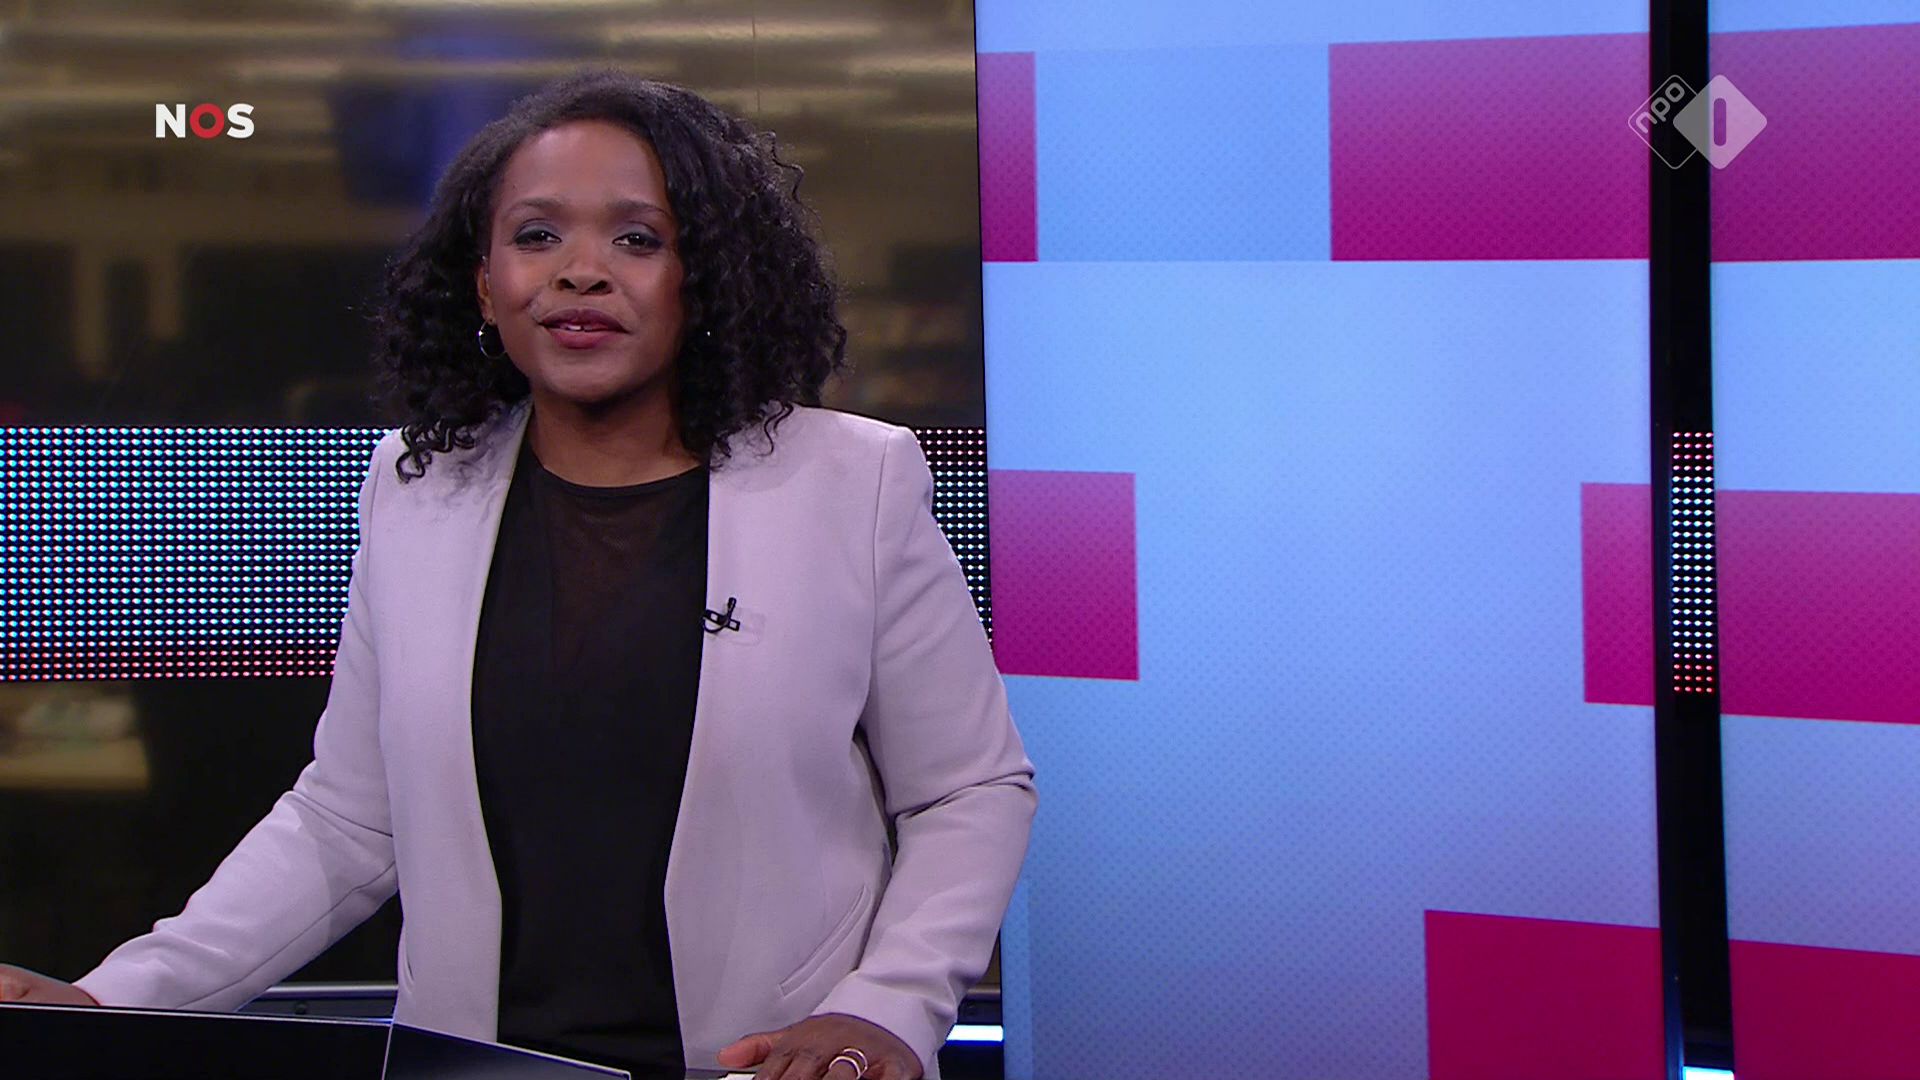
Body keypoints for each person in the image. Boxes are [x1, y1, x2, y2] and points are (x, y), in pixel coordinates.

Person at [0, 71, 1035, 1080]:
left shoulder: (853, 480)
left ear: (708, 276)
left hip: (761, 1064)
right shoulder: (414, 487)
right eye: (537, 236)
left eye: (639, 239)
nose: (581, 273)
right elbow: (347, 820)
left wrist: (886, 1008)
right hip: (469, 1063)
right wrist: (118, 1001)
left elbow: (968, 789)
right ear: (485, 284)